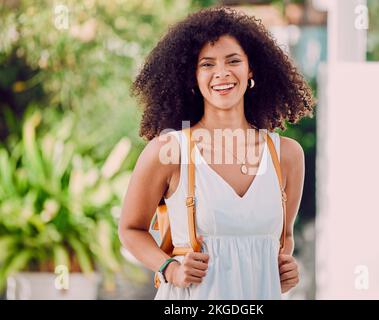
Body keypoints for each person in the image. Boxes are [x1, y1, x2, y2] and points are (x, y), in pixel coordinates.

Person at [119, 6, 315, 300]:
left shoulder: (286, 156)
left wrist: (281, 273)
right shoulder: (169, 151)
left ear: (251, 69)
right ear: (192, 77)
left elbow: (283, 238)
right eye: (207, 64)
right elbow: (131, 229)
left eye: (233, 60)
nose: (221, 73)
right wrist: (169, 268)